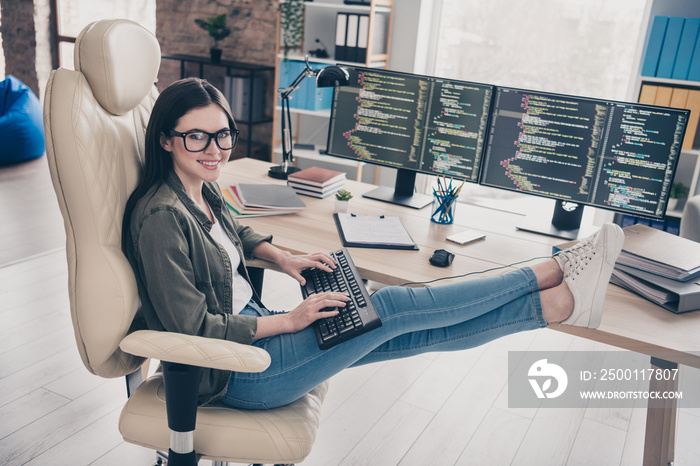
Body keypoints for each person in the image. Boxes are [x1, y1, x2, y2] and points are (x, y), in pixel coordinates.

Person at [122, 77, 625, 408]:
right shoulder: (161, 218)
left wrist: (282, 256)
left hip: (259, 339)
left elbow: (234, 234)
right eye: (197, 138)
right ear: (166, 139)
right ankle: (544, 271)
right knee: (392, 306)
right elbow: (195, 328)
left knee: (408, 333)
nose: (215, 150)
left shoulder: (200, 188)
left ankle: (557, 304)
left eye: (223, 135)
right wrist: (291, 320)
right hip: (240, 372)